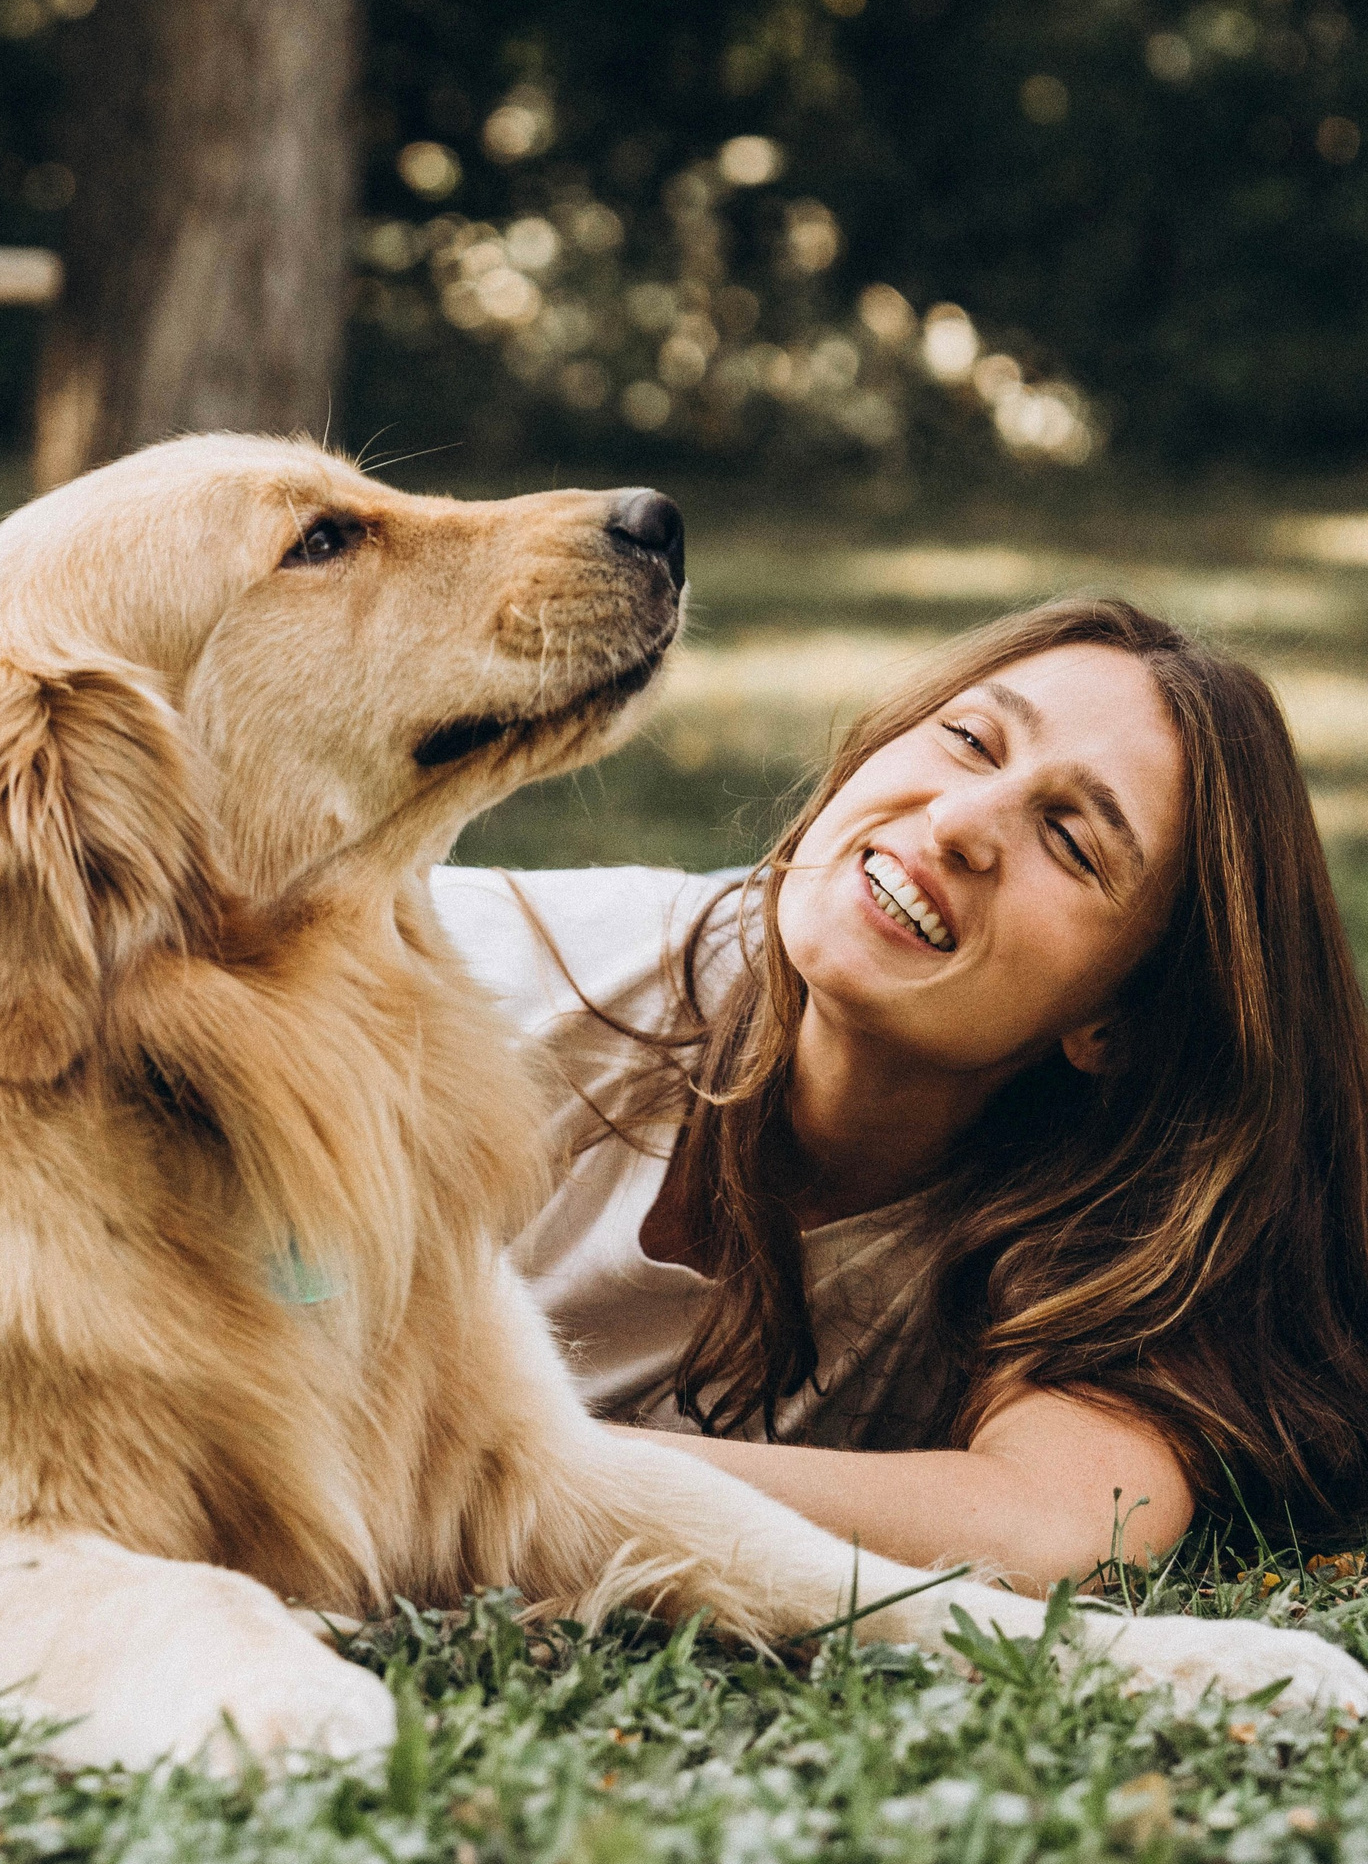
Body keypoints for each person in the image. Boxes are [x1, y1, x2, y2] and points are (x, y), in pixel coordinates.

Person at [436, 596, 1368, 1594]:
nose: (960, 823)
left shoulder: (1103, 1235)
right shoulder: (499, 970)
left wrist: (498, 1474)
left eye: (1069, 838)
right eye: (970, 740)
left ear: (1117, 1024)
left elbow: (1056, 1525)